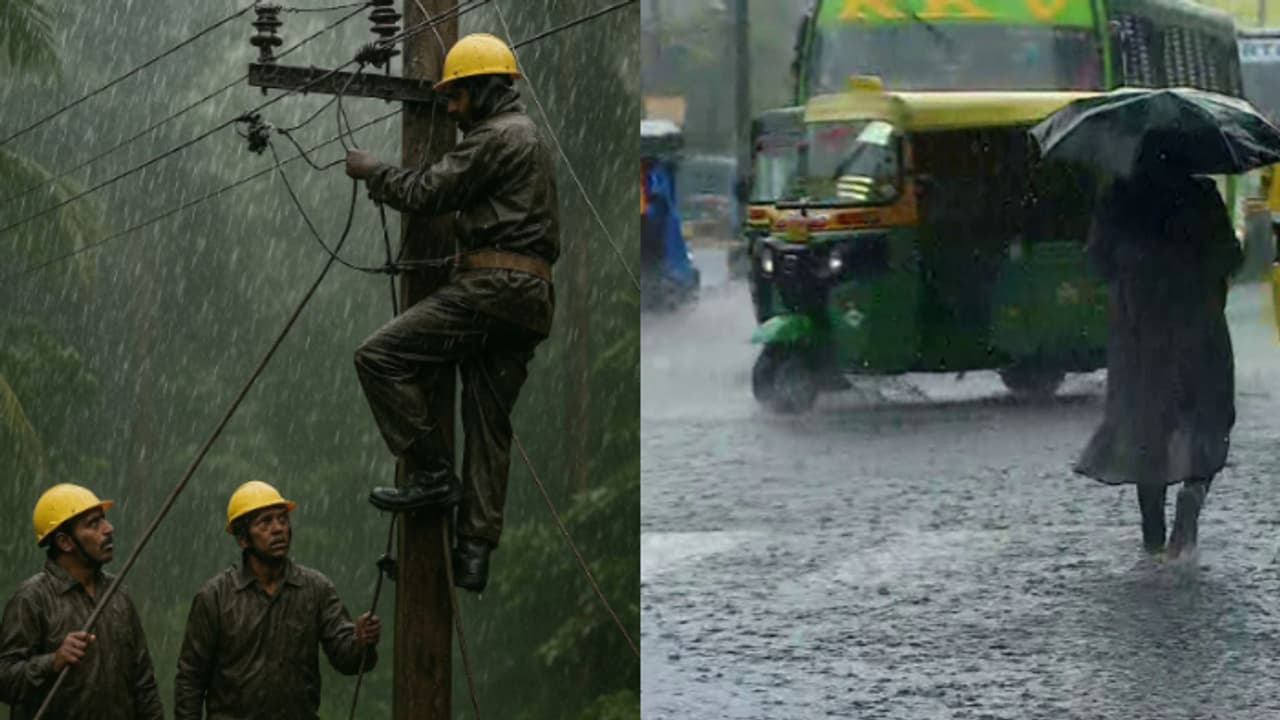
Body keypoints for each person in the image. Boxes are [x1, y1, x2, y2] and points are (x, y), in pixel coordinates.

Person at [344, 32, 559, 592]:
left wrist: (373, 172)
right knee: (489, 423)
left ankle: (434, 474)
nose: (454, 110)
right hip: (530, 299)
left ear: (488, 89)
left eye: (460, 96)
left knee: (379, 356)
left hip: (495, 288)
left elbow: (426, 191)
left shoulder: (499, 135)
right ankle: (473, 551)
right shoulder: (525, 136)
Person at [1074, 153, 1242, 559]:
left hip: (1140, 331)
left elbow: (1097, 261)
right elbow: (1230, 258)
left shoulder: (1120, 196)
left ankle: (1153, 538)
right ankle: (1194, 494)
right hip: (1199, 325)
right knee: (1209, 416)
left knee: (1146, 428)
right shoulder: (1201, 193)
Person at [174, 481, 381, 720]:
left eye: (282, 519)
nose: (278, 529)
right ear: (243, 539)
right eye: (265, 522)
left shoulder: (316, 589)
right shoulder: (215, 597)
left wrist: (361, 640)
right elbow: (190, 680)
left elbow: (347, 659)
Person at [0, 484, 165, 719]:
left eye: (104, 520)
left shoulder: (118, 594)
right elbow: (4, 679)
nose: (109, 529)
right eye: (94, 523)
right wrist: (52, 662)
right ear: (65, 542)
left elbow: (144, 681)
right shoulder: (31, 598)